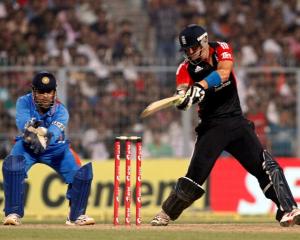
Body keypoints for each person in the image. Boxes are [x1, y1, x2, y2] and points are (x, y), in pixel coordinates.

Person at [150, 24, 300, 227]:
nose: (189, 53)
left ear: (204, 42)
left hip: (236, 122)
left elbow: (224, 73)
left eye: (193, 48)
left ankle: (289, 210)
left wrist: (200, 86)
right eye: (186, 50)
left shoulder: (221, 49)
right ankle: (165, 213)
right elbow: (182, 91)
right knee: (194, 178)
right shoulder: (184, 68)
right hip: (212, 127)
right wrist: (183, 99)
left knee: (265, 166)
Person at [2, 71, 95, 226]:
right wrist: (35, 134)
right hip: (27, 146)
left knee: (82, 173)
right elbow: (24, 125)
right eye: (41, 92)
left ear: (54, 92)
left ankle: (76, 215)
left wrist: (42, 135)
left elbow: (52, 133)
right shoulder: (23, 102)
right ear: (33, 91)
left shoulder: (61, 111)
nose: (45, 96)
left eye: (49, 92)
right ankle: (13, 213)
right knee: (13, 165)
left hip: (54, 149)